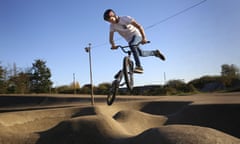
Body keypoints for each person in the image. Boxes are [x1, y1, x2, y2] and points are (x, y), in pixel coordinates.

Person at [103, 9, 165, 74]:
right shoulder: (112, 26)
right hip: (130, 40)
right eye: (109, 21)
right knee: (141, 53)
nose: (111, 22)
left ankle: (139, 67)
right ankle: (155, 53)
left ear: (114, 16)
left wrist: (144, 38)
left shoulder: (125, 18)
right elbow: (111, 39)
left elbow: (139, 26)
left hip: (137, 35)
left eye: (111, 19)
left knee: (132, 44)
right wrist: (113, 45)